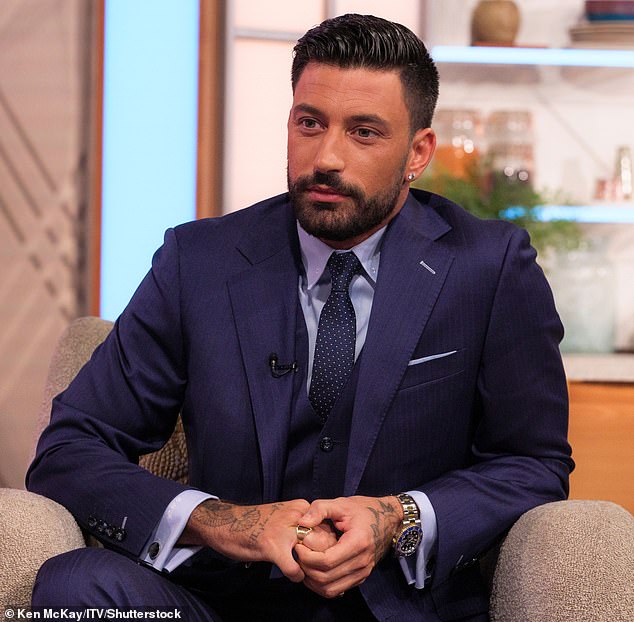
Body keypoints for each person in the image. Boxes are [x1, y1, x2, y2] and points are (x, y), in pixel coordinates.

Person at [27, 13, 573, 622]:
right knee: (75, 587)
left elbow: (533, 464)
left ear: (418, 152)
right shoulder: (198, 262)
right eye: (309, 123)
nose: (326, 157)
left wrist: (398, 518)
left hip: (401, 608)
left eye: (364, 132)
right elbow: (71, 447)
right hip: (224, 604)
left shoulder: (489, 267)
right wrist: (220, 521)